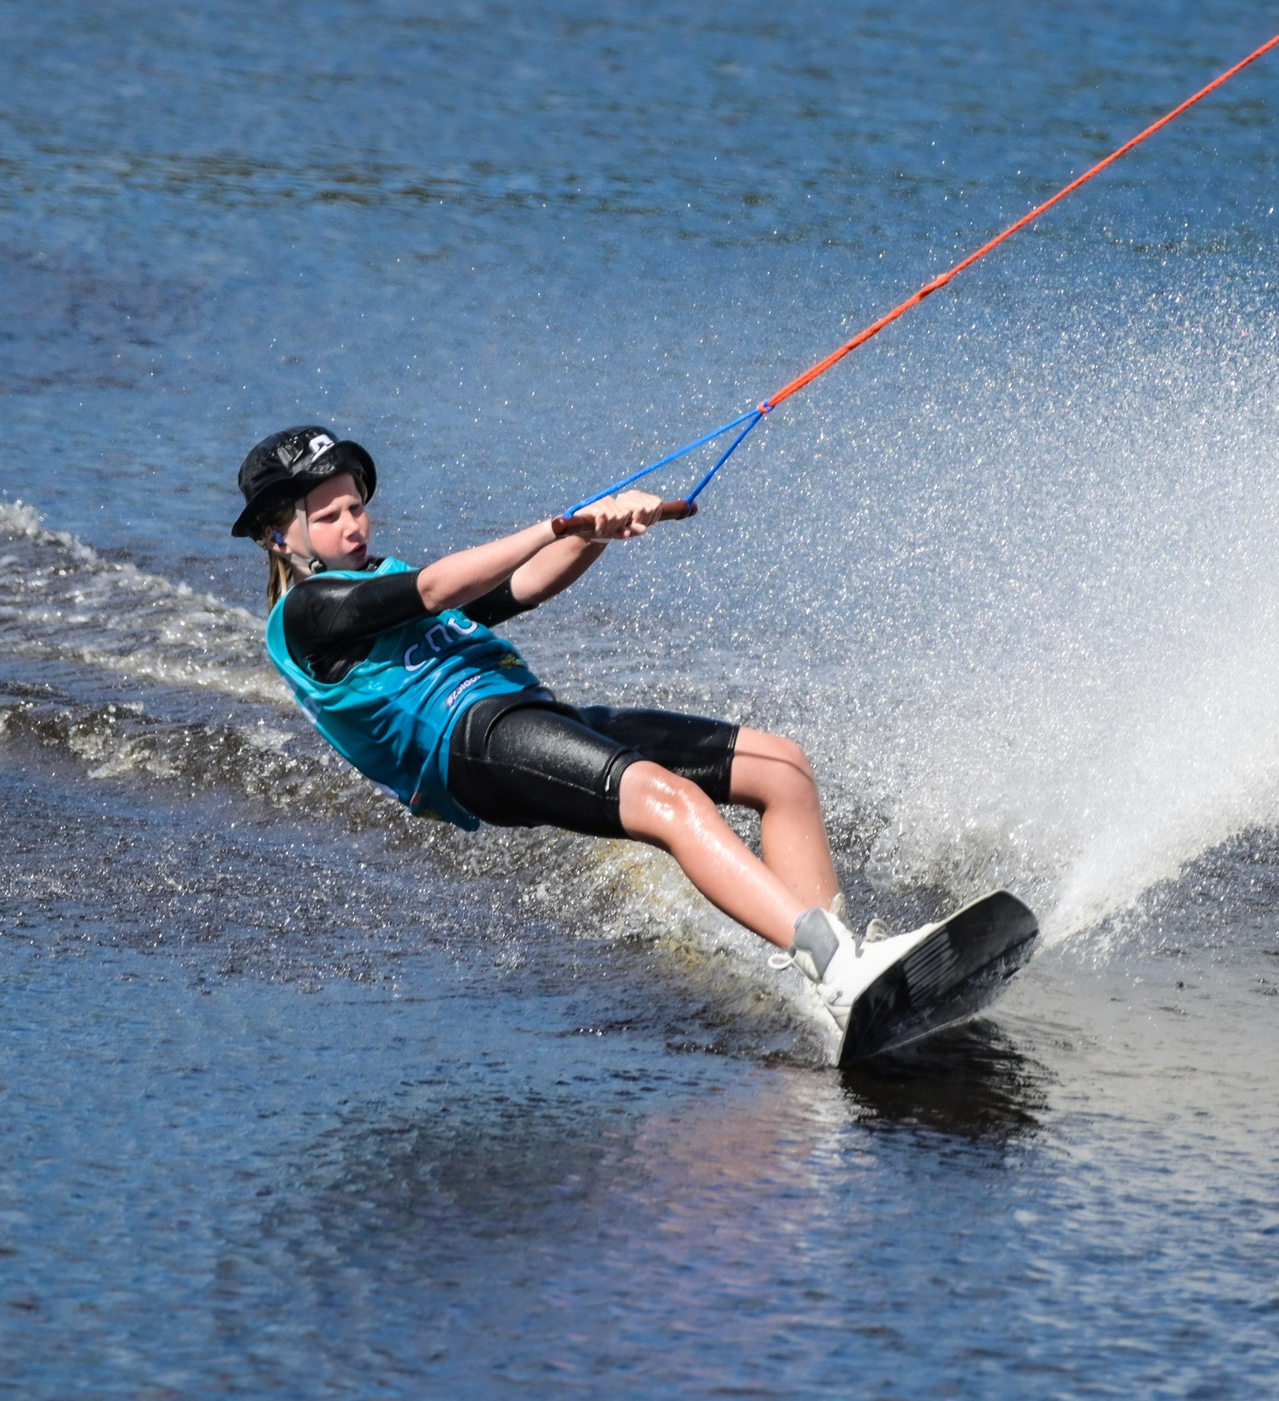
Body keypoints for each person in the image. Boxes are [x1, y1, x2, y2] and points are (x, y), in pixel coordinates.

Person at [229, 423, 923, 1033]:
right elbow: (440, 588)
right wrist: (554, 525)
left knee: (781, 767)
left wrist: (596, 531)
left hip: (525, 714)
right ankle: (838, 965)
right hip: (469, 748)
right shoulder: (306, 613)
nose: (354, 524)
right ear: (280, 534)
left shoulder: (384, 577)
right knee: (674, 801)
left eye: (357, 506)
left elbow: (520, 587)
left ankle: (838, 985)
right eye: (329, 516)